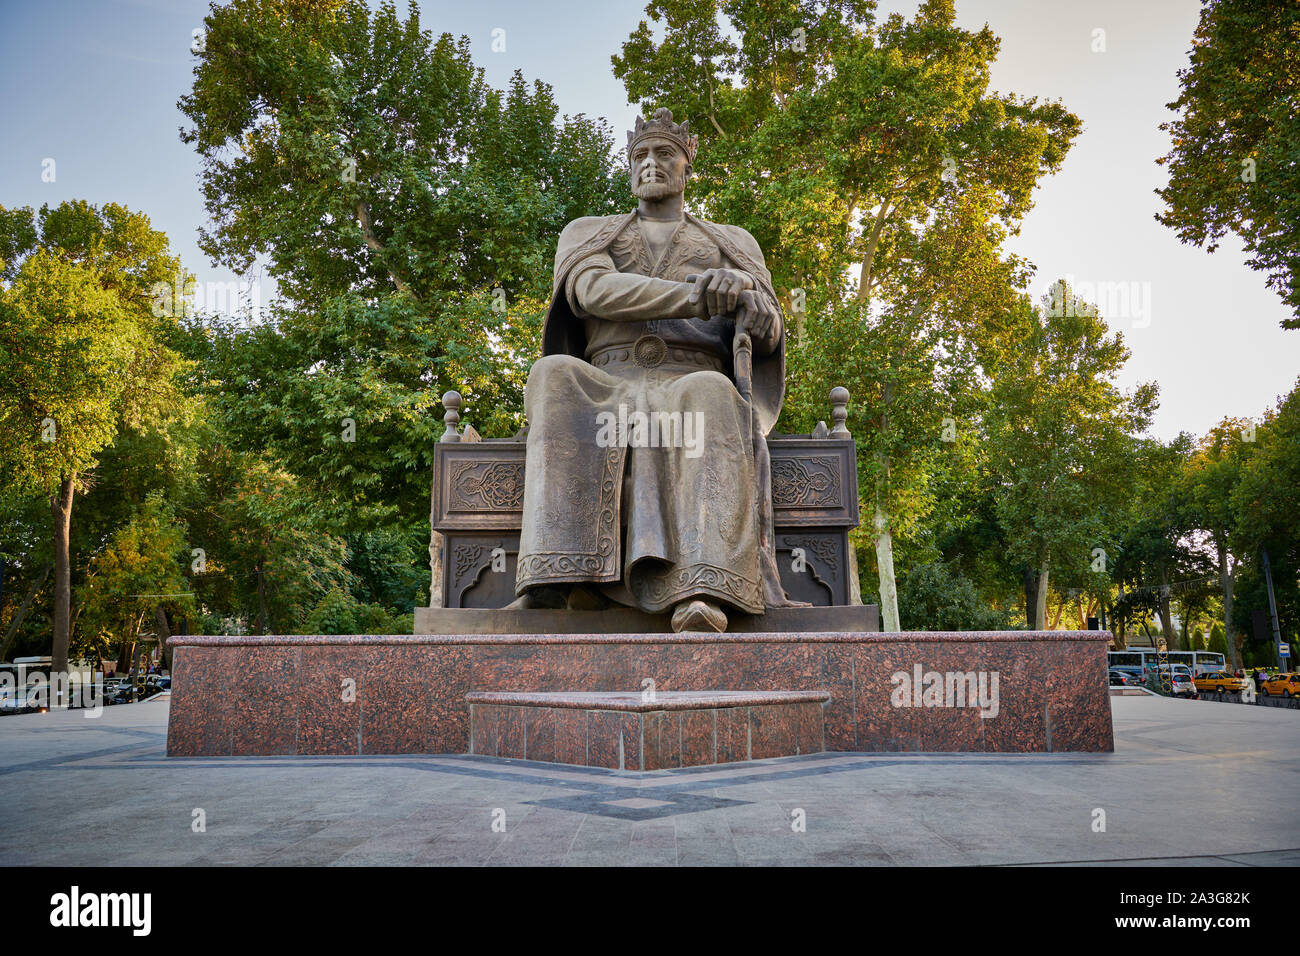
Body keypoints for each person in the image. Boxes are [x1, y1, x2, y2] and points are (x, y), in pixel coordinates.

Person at [510, 108, 800, 632]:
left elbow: (771, 330)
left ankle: (704, 591)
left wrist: (755, 312)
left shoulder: (731, 242)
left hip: (690, 378)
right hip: (606, 381)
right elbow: (590, 291)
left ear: (688, 166)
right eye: (640, 155)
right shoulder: (588, 231)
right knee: (553, 375)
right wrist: (699, 298)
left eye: (665, 153)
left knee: (711, 393)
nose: (651, 163)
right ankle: (558, 579)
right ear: (628, 169)